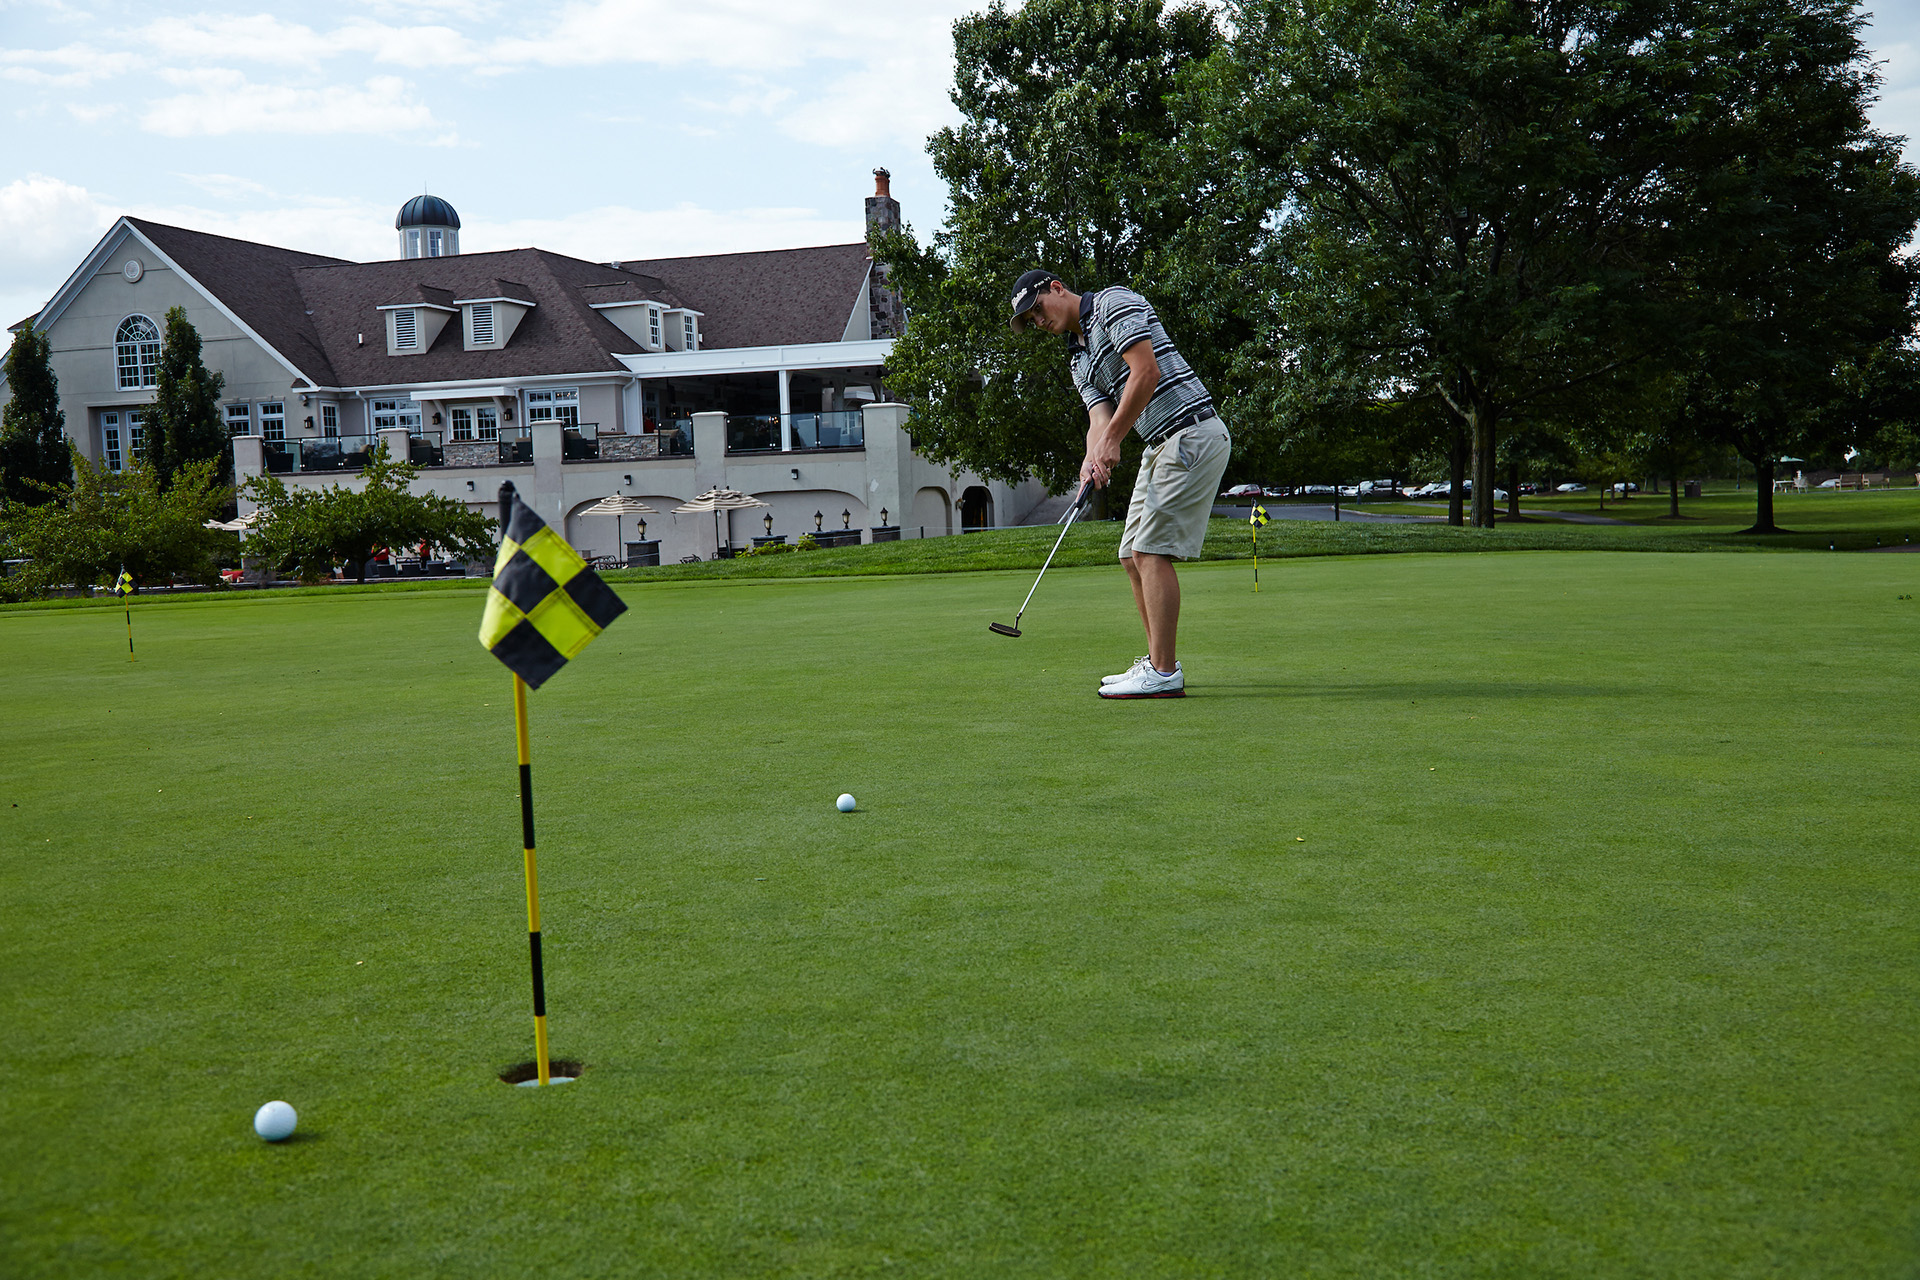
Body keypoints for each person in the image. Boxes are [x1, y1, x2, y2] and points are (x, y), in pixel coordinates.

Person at [1009, 269, 1231, 698]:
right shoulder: (1077, 357)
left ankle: (1164, 674)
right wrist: (1092, 459)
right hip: (1160, 444)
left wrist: (1112, 441)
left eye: (1038, 308)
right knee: (1131, 555)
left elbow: (1145, 373)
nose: (1039, 321)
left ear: (1057, 288)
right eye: (1031, 319)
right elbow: (1099, 419)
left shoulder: (1113, 303)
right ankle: (1156, 663)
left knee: (1150, 551)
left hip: (1192, 432)